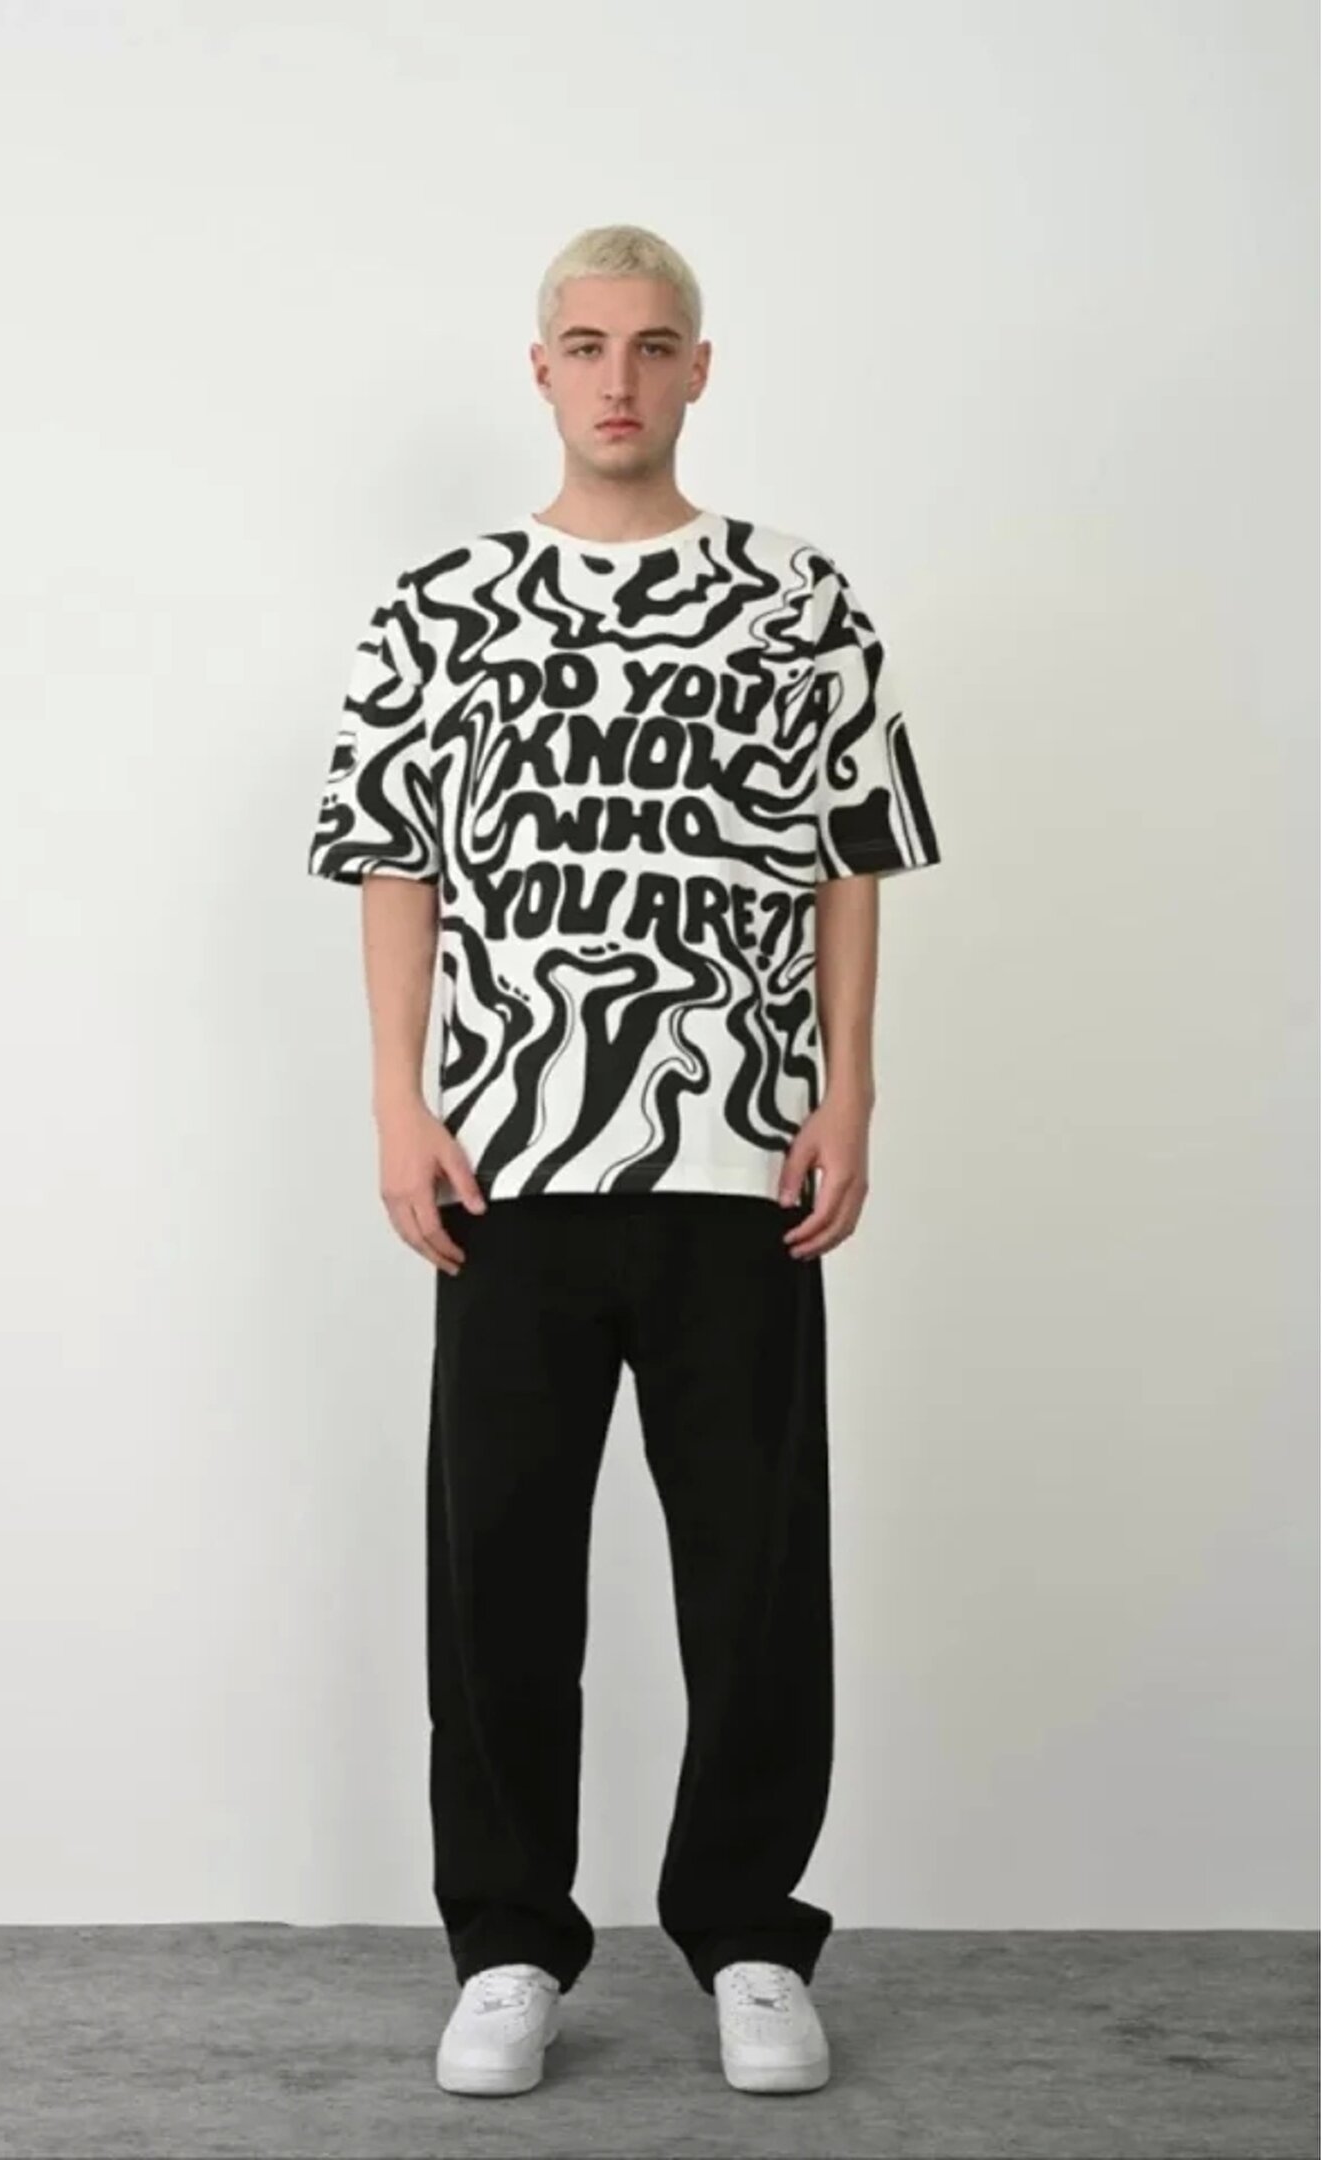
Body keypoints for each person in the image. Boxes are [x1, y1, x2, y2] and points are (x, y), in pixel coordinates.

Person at [305, 223, 942, 2098]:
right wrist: (400, 1103)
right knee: (501, 1570)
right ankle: (509, 1945)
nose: (618, 378)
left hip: (739, 1163)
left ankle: (748, 1936)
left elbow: (850, 861)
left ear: (699, 369)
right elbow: (394, 865)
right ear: (540, 368)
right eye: (585, 345)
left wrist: (849, 1090)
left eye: (653, 346)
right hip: (508, 1169)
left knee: (756, 1576)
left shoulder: (797, 597)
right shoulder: (442, 603)